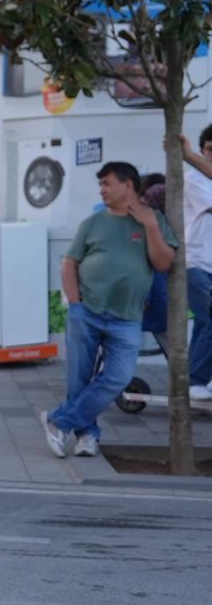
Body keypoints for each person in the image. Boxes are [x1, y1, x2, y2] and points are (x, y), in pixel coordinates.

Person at [42, 161, 177, 458]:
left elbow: (163, 263)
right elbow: (70, 263)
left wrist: (151, 225)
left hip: (127, 317)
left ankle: (59, 420)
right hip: (87, 312)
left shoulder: (153, 220)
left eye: (107, 183)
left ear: (127, 185)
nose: (102, 190)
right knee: (79, 379)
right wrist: (75, 304)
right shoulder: (92, 223)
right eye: (100, 184)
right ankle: (87, 436)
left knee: (118, 377)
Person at [171, 128, 212, 401]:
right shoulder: (194, 178)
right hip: (197, 262)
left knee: (203, 323)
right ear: (200, 150)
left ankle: (199, 379)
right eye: (209, 149)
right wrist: (190, 159)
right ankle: (197, 380)